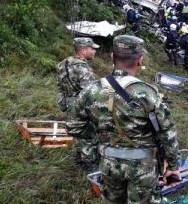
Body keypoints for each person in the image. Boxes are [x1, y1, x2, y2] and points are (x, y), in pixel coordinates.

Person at [67, 35, 180, 203]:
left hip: (108, 164)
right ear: (140, 61)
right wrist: (172, 166)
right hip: (143, 167)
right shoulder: (147, 93)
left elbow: (73, 126)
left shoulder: (90, 90)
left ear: (112, 57)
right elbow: (167, 133)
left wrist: (99, 140)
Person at [57, 37, 99, 168]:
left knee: (77, 133)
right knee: (89, 136)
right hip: (81, 106)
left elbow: (59, 85)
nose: (94, 51)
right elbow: (90, 91)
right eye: (92, 49)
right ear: (83, 50)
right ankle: (88, 164)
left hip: (68, 103)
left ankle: (79, 159)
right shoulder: (82, 67)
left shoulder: (62, 63)